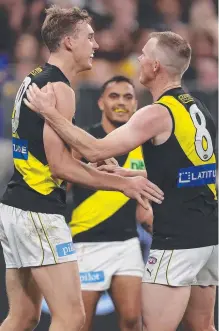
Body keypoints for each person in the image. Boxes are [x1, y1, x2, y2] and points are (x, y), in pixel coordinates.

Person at [25, 31, 218, 331]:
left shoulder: (156, 113)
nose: (137, 60)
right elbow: (185, 176)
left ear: (155, 67)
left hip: (177, 241)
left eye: (143, 55)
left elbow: (94, 149)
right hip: (208, 237)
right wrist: (125, 174)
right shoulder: (200, 109)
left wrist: (51, 113)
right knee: (203, 327)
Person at [0, 7, 164, 331]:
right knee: (72, 318)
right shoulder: (60, 88)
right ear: (68, 41)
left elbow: (60, 150)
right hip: (40, 213)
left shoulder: (34, 77)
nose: (96, 44)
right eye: (89, 37)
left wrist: (110, 167)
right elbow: (60, 167)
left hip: (16, 208)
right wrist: (121, 184)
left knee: (22, 317)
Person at [69, 75, 153, 331]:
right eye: (113, 96)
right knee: (80, 323)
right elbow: (61, 185)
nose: (121, 102)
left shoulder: (145, 147)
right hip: (85, 244)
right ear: (100, 103)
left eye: (128, 97)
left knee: (132, 319)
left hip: (127, 243)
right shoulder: (85, 142)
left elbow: (144, 206)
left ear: (136, 104)